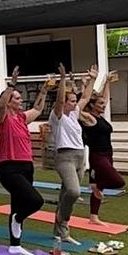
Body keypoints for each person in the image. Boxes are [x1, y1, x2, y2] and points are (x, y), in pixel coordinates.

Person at [0, 66, 51, 255]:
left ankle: (14, 243)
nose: (20, 100)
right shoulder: (3, 119)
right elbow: (0, 106)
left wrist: (44, 91)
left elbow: (37, 109)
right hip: (9, 167)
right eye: (16, 98)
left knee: (17, 204)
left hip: (26, 166)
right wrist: (11, 85)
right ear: (8, 100)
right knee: (35, 201)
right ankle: (18, 219)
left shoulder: (21, 118)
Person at [48, 63, 96, 245]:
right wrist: (62, 80)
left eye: (75, 101)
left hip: (79, 156)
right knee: (74, 191)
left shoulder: (75, 113)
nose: (75, 103)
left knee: (65, 194)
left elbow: (86, 96)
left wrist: (92, 79)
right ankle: (62, 216)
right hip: (64, 156)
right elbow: (59, 101)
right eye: (71, 101)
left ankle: (62, 233)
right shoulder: (57, 116)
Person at [80, 70, 125, 224]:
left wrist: (107, 82)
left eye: (103, 104)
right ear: (91, 105)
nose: (103, 105)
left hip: (108, 154)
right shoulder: (88, 118)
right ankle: (96, 186)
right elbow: (77, 109)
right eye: (100, 104)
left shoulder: (100, 117)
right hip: (97, 156)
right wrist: (86, 87)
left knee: (102, 186)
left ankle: (94, 216)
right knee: (118, 182)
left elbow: (104, 98)